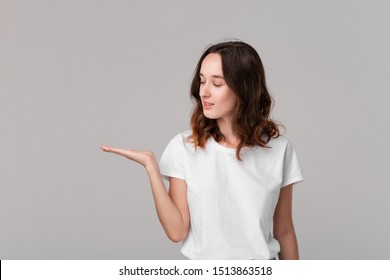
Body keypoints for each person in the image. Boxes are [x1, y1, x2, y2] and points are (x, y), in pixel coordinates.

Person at [100, 41, 304, 260]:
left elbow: (284, 231)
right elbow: (177, 231)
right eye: (202, 81)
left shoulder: (280, 150)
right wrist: (151, 166)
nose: (204, 92)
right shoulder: (184, 148)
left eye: (216, 84)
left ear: (244, 89)